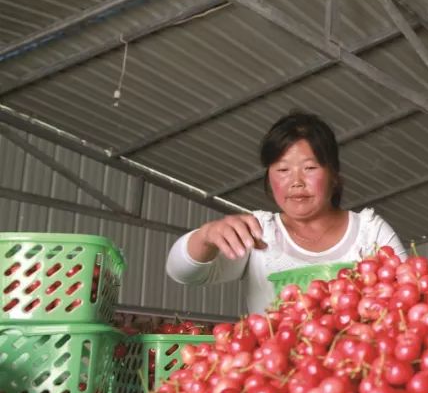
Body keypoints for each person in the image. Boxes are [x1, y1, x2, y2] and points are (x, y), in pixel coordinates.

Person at [166, 112, 406, 313]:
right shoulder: (257, 232)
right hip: (273, 370)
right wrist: (206, 236)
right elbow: (184, 273)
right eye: (282, 170)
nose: (296, 182)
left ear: (333, 174)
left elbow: (407, 298)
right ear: (269, 179)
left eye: (309, 168)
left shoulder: (370, 232)